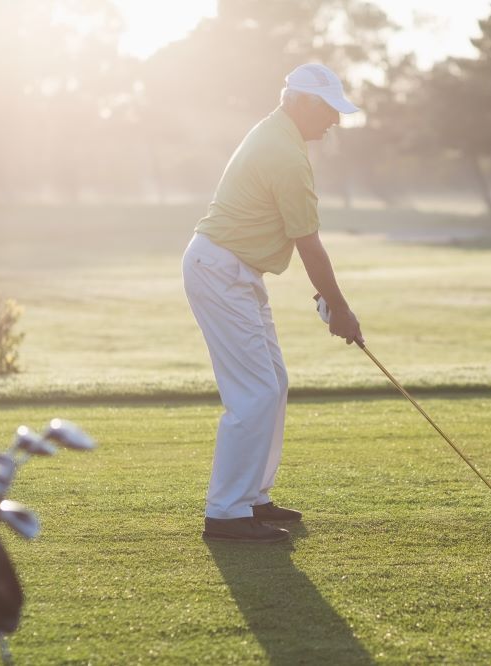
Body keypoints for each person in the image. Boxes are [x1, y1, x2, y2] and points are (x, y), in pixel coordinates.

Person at [182, 63, 363, 544]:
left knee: (272, 382)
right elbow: (310, 246)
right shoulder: (283, 151)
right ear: (302, 102)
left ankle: (253, 498)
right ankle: (225, 513)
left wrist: (330, 297)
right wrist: (340, 309)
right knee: (255, 392)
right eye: (328, 110)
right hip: (220, 270)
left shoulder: (278, 135)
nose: (335, 121)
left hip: (236, 271)